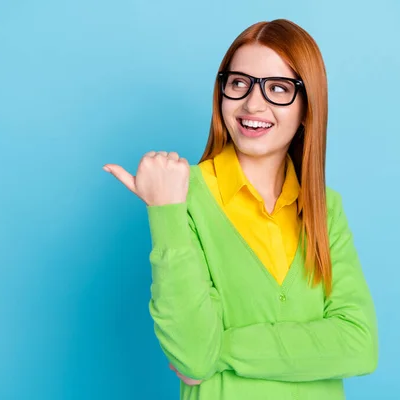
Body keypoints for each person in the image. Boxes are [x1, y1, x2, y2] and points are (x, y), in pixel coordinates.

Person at [103, 18, 378, 400]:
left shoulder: (325, 208)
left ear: (307, 106)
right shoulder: (182, 195)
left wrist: (225, 348)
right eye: (239, 83)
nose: (253, 103)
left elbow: (360, 343)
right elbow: (194, 355)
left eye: (278, 88)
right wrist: (166, 212)